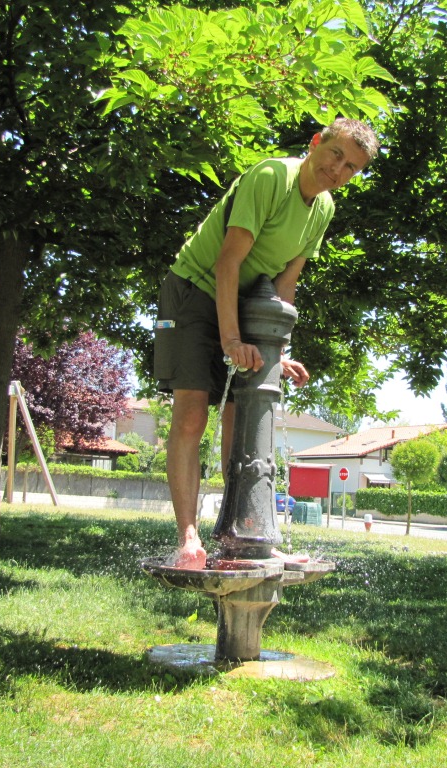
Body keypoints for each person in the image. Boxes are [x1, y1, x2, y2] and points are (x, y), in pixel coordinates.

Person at [154, 118, 379, 569]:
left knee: (246, 424)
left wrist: (279, 350)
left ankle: (245, 534)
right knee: (195, 411)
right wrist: (231, 338)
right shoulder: (272, 177)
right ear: (317, 143)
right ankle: (188, 538)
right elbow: (226, 263)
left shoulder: (324, 209)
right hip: (195, 290)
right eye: (336, 154)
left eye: (351, 168)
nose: (338, 170)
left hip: (249, 302)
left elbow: (285, 284)